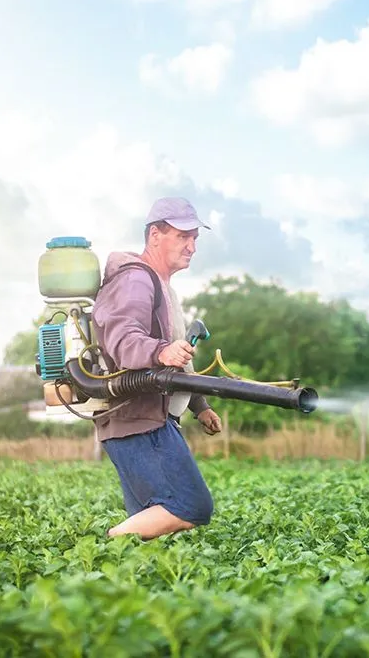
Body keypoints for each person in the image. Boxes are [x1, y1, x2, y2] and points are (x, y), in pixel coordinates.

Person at [90, 196, 224, 540]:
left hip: (151, 420)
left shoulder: (164, 287)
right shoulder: (135, 279)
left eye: (195, 237)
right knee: (191, 506)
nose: (192, 246)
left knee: (152, 529)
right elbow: (123, 339)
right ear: (154, 235)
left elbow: (177, 358)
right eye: (183, 236)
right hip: (138, 420)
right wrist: (161, 351)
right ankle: (103, 546)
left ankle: (115, 563)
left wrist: (200, 405)